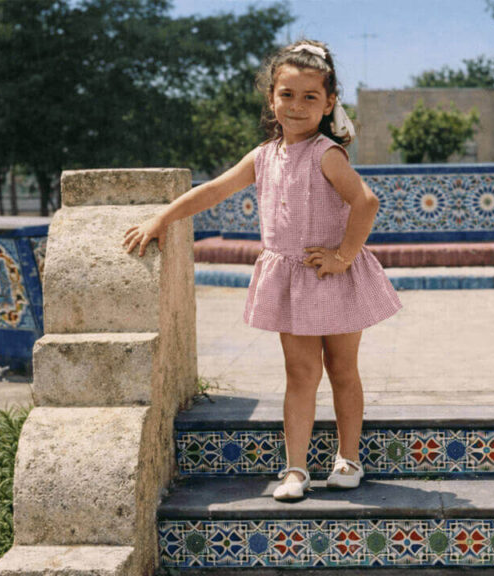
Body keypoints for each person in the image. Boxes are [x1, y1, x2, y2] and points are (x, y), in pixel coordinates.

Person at [122, 39, 402, 501]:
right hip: (292, 281)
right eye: (287, 94)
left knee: (342, 369)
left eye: (310, 97)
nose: (296, 106)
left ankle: (348, 458)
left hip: (332, 276)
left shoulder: (326, 153)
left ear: (329, 102)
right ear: (271, 97)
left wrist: (342, 257)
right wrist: (162, 218)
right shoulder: (263, 155)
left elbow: (365, 202)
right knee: (300, 372)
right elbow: (213, 190)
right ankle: (296, 470)